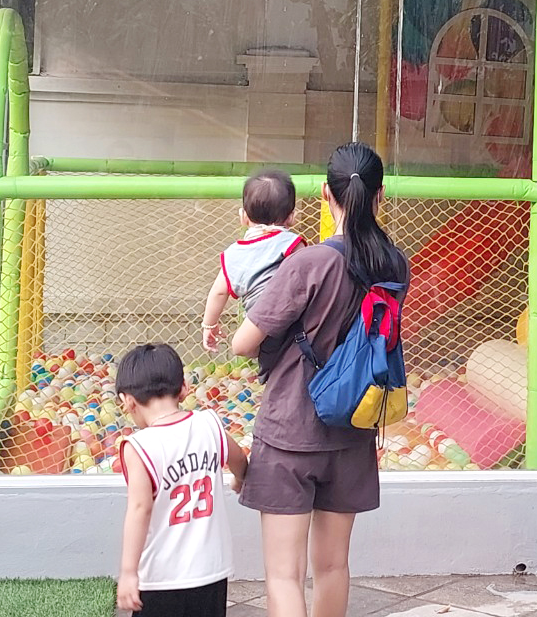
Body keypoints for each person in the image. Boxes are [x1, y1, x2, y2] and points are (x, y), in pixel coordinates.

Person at [231, 142, 408, 617]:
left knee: (283, 575)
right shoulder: (394, 264)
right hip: (353, 429)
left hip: (290, 432)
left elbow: (243, 343)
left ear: (325, 196)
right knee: (332, 567)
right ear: (380, 195)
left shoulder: (309, 263)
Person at [115, 343, 249, 617]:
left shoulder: (138, 446)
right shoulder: (209, 424)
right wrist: (240, 478)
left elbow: (140, 508)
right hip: (211, 571)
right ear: (184, 388)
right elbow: (239, 459)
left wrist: (129, 572)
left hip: (162, 577)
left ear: (127, 401)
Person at [203, 169, 305, 351]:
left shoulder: (234, 253)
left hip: (255, 331)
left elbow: (218, 292)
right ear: (291, 217)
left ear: (243, 217)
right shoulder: (292, 244)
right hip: (292, 326)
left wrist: (209, 325)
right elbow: (308, 276)